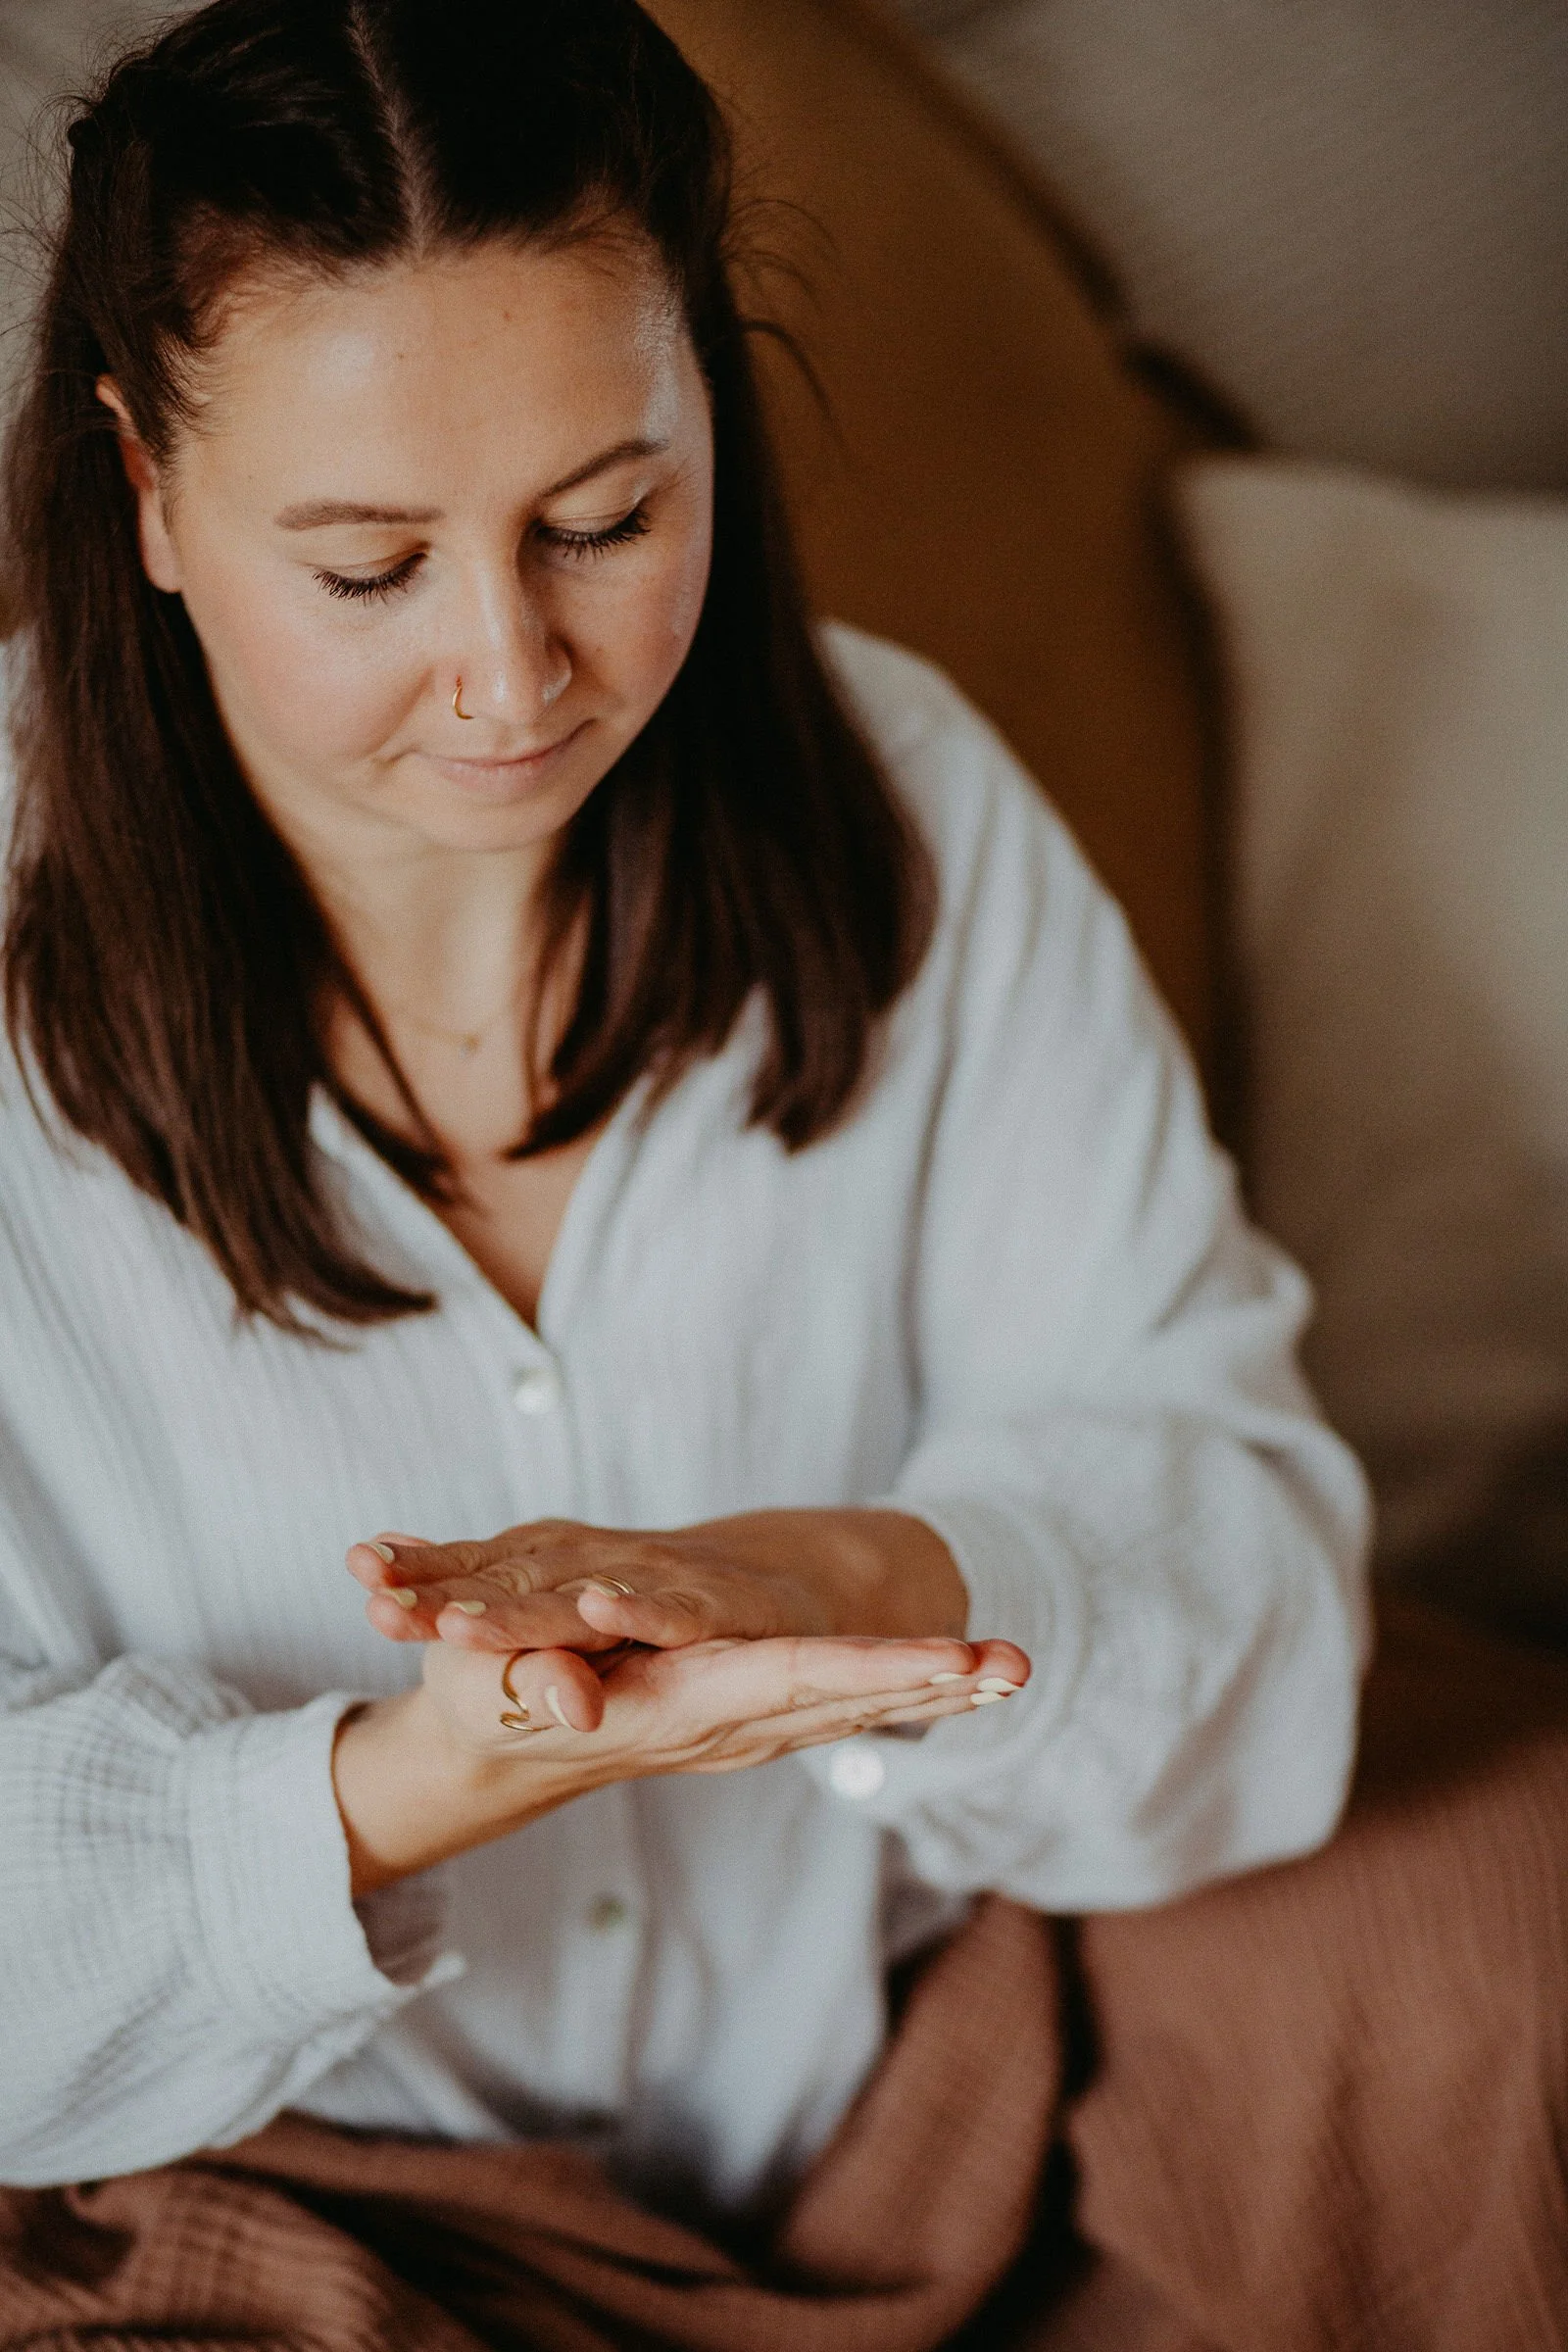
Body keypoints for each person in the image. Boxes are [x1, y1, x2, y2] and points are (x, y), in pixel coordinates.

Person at [0, 0, 1369, 2329]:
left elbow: (1239, 1544)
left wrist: (840, 1574)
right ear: (143, 483)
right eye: (365, 569)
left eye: (605, 517)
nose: (512, 672)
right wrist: (405, 1784)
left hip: (908, 2090)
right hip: (250, 2192)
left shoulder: (905, 800)